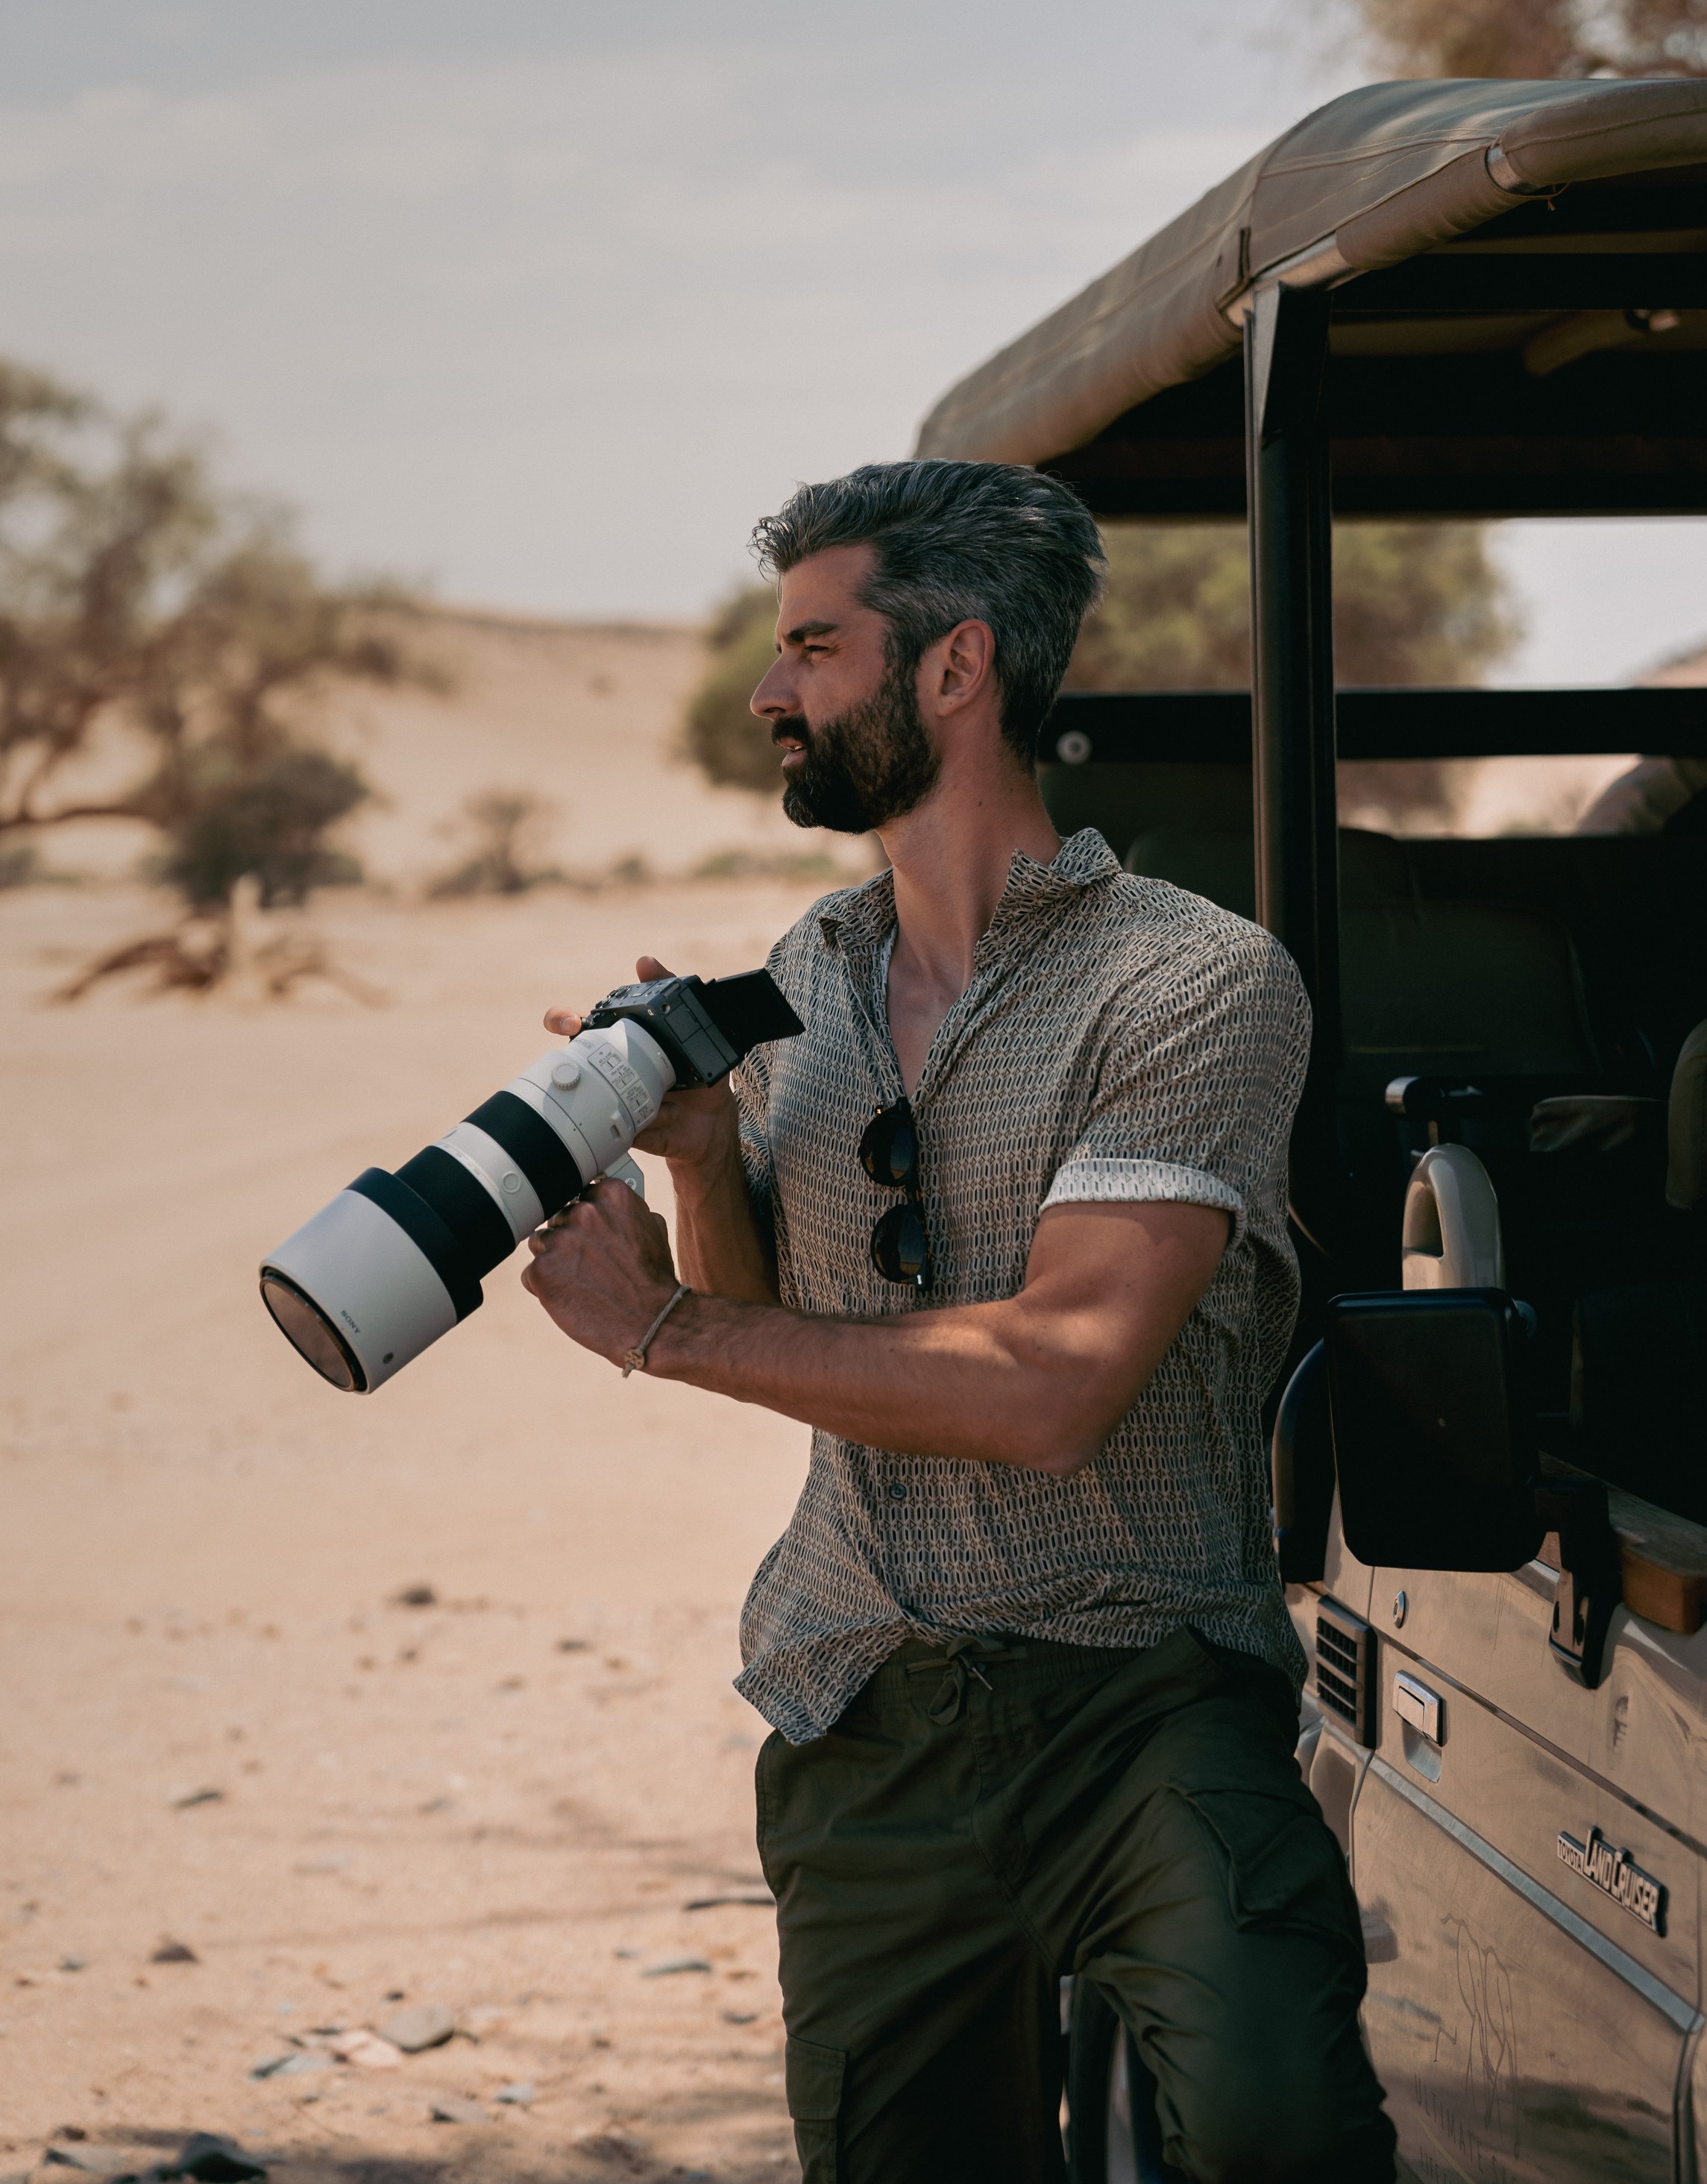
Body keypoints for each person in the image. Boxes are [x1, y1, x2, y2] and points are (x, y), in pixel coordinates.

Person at [523, 460, 1395, 2184]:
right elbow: (798, 1338)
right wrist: (705, 1161)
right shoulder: (808, 969)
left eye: (813, 649)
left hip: (1141, 1697)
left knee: (1279, 2135)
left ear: (953, 668)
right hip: (865, 1707)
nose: (771, 694)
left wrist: (661, 1330)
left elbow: (1055, 1380)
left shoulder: (1192, 979)